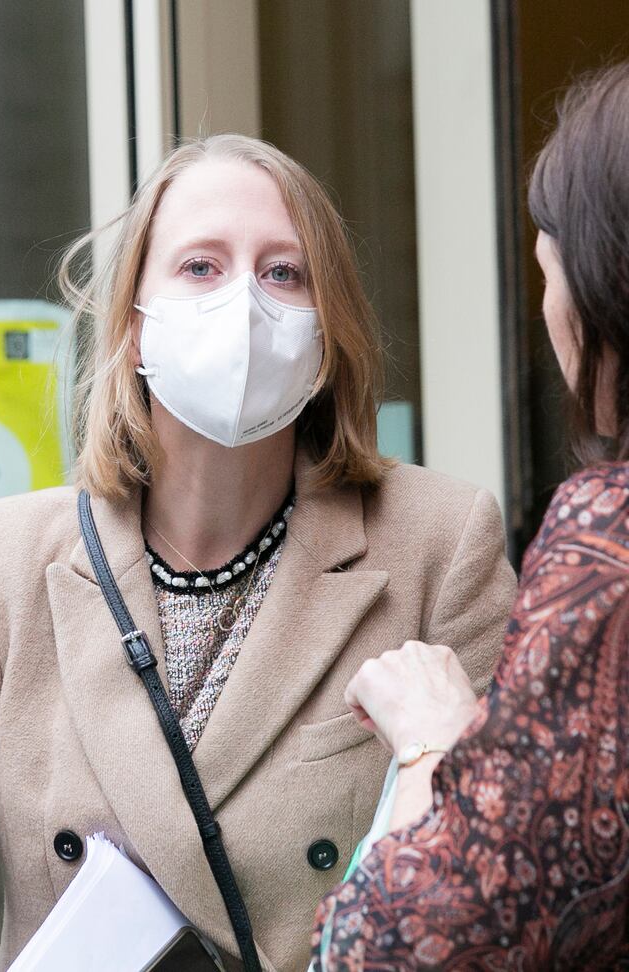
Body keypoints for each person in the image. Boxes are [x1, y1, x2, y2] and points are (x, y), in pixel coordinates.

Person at [0, 134, 515, 972]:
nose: (244, 304)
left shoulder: (440, 544)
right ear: (132, 323)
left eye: (283, 273)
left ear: (328, 328)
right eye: (200, 267)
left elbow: (503, 900)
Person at [313, 62, 629, 971]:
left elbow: (404, 946)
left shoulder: (602, 543)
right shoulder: (4, 553)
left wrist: (434, 744)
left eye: (550, 270)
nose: (549, 311)